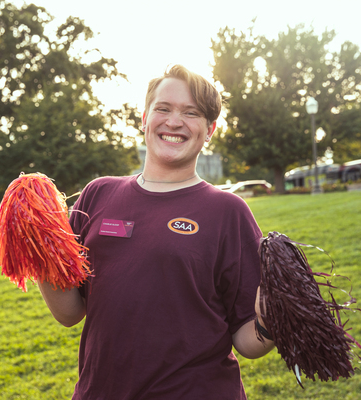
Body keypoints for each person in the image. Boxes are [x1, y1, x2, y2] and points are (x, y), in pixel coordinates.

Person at [37, 65, 275, 399]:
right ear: (145, 117)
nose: (174, 122)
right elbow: (70, 312)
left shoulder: (227, 212)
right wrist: (37, 248)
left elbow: (247, 340)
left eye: (191, 113)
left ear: (210, 129)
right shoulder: (98, 194)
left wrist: (273, 322)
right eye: (163, 108)